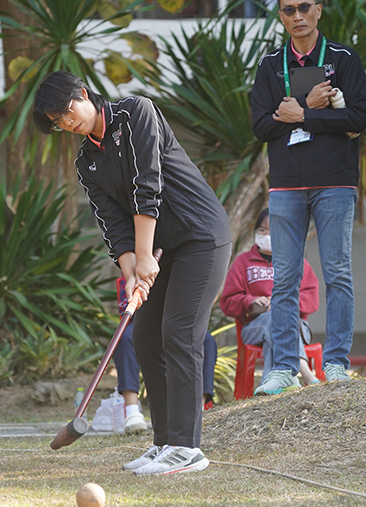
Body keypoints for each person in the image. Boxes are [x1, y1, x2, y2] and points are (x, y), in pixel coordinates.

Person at [33, 70, 232, 476]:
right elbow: (113, 224)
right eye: (58, 122)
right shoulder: (86, 162)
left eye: (67, 112)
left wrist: (144, 256)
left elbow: (147, 186)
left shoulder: (136, 112)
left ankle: (187, 448)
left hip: (199, 236)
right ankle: (164, 442)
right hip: (156, 250)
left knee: (179, 333)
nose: (67, 123)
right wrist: (132, 272)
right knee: (145, 337)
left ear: (83, 93)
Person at [250, 0, 366, 394]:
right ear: (281, 16)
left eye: (304, 7)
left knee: (338, 273)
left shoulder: (343, 59)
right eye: (289, 10)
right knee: (284, 279)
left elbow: (357, 119)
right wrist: (307, 108)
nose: (298, 16)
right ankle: (284, 368)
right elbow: (260, 126)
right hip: (286, 185)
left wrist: (300, 113)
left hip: (335, 180)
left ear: (318, 9)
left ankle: (336, 364)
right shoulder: (271, 65)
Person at [219, 208, 320, 386]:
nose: (266, 235)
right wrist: (250, 301)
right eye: (261, 230)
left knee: (278, 321)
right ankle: (305, 371)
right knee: (275, 319)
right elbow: (227, 302)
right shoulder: (243, 262)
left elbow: (312, 298)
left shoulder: (296, 262)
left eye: (272, 229)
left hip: (297, 326)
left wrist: (284, 304)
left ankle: (269, 388)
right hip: (254, 327)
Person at [112, 276, 219, 433]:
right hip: (142, 320)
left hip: (177, 321)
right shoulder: (135, 267)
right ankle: (132, 411)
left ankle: (198, 410)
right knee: (125, 338)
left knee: (206, 341)